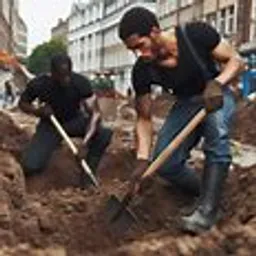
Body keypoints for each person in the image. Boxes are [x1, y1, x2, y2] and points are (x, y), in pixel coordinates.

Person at [118, 7, 245, 233]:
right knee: (166, 164)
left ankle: (207, 213)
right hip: (186, 102)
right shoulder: (142, 70)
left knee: (217, 137)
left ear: (155, 31)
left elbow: (235, 60)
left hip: (216, 94)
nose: (140, 55)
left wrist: (218, 83)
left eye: (140, 46)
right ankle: (208, 195)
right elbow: (144, 118)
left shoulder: (195, 34)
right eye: (133, 50)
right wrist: (142, 160)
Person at [18, 54, 112, 187]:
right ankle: (50, 147)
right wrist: (37, 111)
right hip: (50, 125)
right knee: (31, 165)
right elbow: (22, 103)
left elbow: (95, 114)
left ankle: (87, 177)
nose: (65, 80)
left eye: (67, 75)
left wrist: (85, 143)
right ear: (52, 73)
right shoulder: (39, 84)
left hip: (75, 121)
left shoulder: (80, 83)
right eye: (61, 76)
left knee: (104, 134)